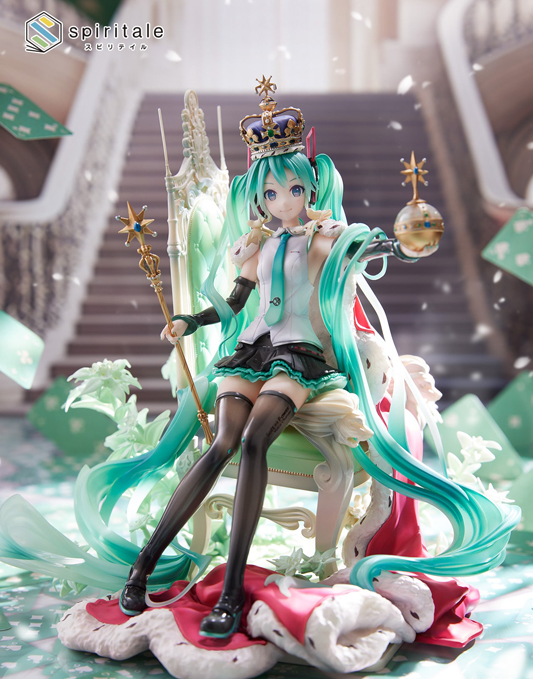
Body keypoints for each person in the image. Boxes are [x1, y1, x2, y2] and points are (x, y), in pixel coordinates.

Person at [118, 80, 517, 639]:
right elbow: (235, 302)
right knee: (221, 443)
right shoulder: (255, 245)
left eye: (294, 189)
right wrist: (191, 320)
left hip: (299, 357)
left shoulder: (328, 237)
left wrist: (407, 238)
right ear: (259, 197)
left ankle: (230, 593)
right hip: (250, 351)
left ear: (310, 187)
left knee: (253, 442)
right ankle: (142, 568)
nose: (284, 201)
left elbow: (376, 247)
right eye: (272, 193)